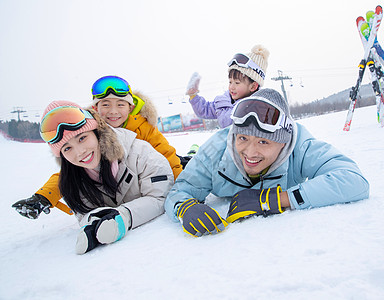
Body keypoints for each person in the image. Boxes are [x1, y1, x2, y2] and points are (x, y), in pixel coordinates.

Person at [165, 88, 370, 237]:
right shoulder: (215, 150)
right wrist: (184, 208)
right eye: (243, 138)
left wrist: (277, 200)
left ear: (283, 142)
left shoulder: (299, 146)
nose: (250, 153)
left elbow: (353, 180)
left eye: (263, 142)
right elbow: (180, 191)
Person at [12, 75, 185, 219]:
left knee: (181, 162)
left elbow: (165, 154)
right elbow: (72, 171)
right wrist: (44, 196)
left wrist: (181, 188)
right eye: (106, 105)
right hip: (123, 192)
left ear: (131, 107)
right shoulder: (88, 133)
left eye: (120, 104)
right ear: (96, 107)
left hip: (151, 177)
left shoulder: (143, 128)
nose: (113, 111)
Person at [24, 101, 173, 254]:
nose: (80, 152)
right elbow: (83, 213)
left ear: (97, 132)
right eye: (67, 148)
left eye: (82, 138)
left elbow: (160, 196)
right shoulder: (73, 180)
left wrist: (124, 216)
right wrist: (93, 222)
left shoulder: (140, 154)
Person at [186, 44, 269, 128]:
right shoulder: (223, 102)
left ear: (253, 86)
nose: (232, 87)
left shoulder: (258, 107)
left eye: (237, 83)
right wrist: (193, 95)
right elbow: (204, 110)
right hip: (227, 140)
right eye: (230, 82)